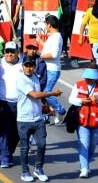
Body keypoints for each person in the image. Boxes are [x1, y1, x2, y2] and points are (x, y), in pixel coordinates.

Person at [16, 54, 61, 182]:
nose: (29, 68)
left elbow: (39, 96)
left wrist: (46, 106)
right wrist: (53, 93)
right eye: (27, 66)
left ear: (35, 67)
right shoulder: (21, 79)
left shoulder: (35, 77)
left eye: (31, 66)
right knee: (25, 148)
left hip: (38, 118)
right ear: (22, 66)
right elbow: (34, 95)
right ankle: (25, 172)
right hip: (24, 120)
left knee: (42, 144)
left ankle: (38, 169)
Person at [68, 68, 98, 178]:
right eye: (87, 78)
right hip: (82, 120)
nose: (88, 80)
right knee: (84, 145)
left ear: (95, 78)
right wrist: (81, 101)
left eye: (90, 78)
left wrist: (97, 99)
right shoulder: (78, 85)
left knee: (92, 145)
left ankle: (85, 163)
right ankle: (84, 169)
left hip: (96, 121)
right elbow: (71, 99)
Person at [0, 41, 21, 169]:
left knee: (17, 132)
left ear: (17, 53)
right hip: (3, 102)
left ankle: (9, 152)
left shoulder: (23, 63)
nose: (9, 54)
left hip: (20, 103)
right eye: (7, 51)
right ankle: (4, 157)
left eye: (12, 52)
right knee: (3, 131)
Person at [40, 15, 66, 124]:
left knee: (46, 93)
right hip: (47, 69)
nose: (45, 26)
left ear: (49, 25)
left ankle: (61, 110)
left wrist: (41, 56)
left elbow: (54, 54)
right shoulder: (53, 36)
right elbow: (47, 48)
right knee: (41, 91)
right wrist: (39, 41)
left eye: (46, 24)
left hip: (52, 70)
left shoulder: (56, 37)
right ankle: (47, 114)